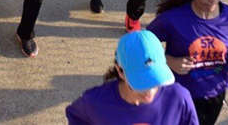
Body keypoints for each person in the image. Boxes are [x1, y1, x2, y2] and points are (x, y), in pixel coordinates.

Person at [65, 30, 198, 124]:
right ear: (120, 71)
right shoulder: (94, 102)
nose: (149, 92)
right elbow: (76, 116)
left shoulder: (179, 98)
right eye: (142, 83)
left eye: (155, 81)